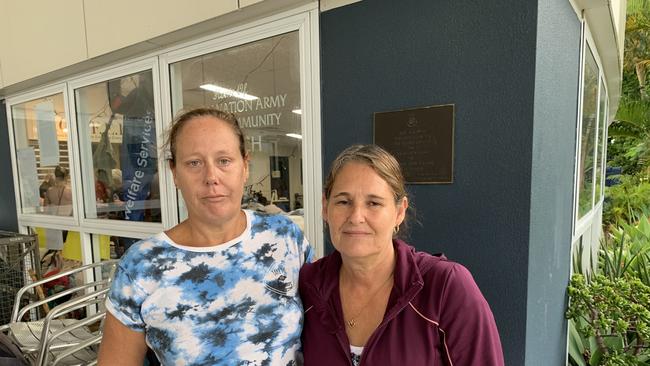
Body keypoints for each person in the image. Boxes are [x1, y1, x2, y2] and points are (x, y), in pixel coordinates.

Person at [98, 108, 313, 365]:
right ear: (175, 173)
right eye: (194, 163)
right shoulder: (142, 267)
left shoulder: (285, 237)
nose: (211, 177)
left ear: (245, 166)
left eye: (224, 160)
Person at [299, 144, 504, 365]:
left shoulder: (445, 287)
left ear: (399, 212)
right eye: (343, 201)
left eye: (374, 203)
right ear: (325, 207)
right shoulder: (307, 285)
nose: (356, 216)